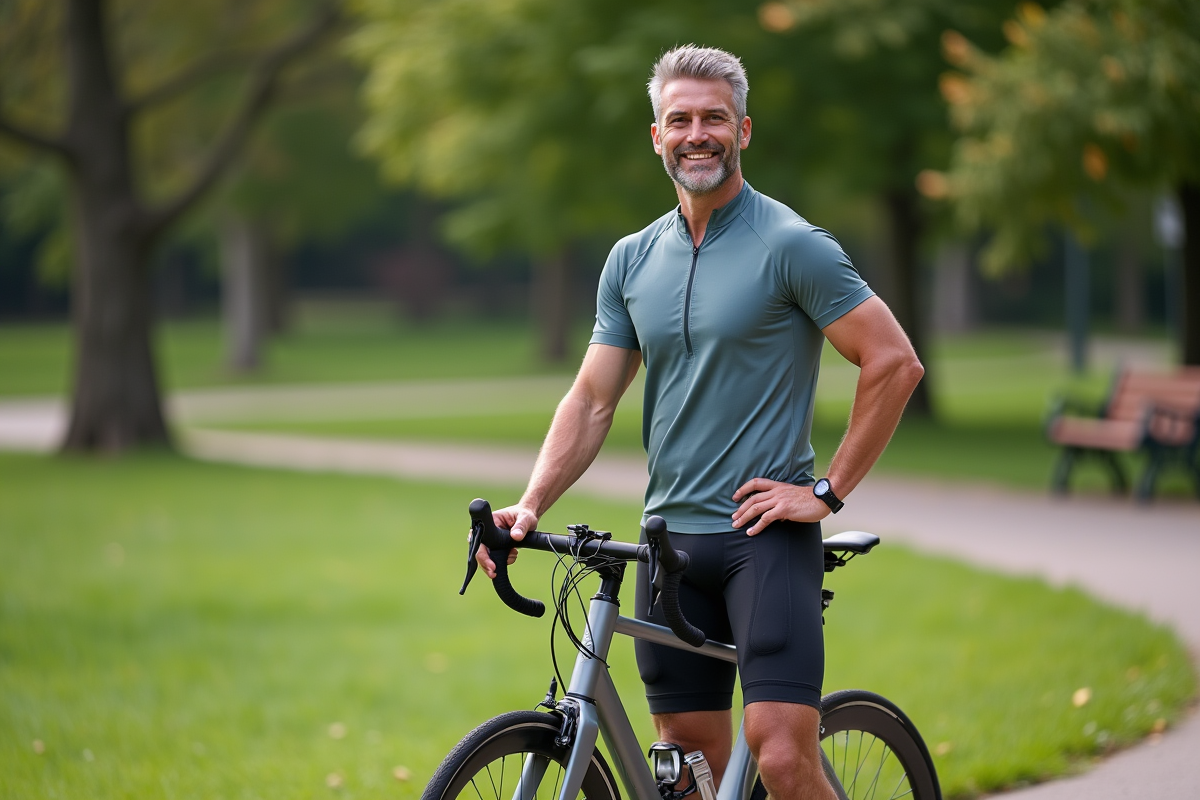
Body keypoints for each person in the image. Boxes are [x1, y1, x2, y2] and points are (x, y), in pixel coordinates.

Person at [476, 45, 924, 800]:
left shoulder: (791, 245)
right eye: (679, 120)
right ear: (657, 136)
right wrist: (531, 504)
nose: (697, 135)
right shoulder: (631, 259)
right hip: (668, 545)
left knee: (782, 757)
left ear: (742, 130)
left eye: (714, 118)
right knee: (687, 771)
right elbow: (591, 400)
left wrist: (826, 491)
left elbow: (894, 362)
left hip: (763, 541)